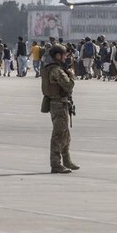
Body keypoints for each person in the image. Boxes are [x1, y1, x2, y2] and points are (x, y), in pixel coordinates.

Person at [40, 44, 78, 174]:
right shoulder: (57, 70)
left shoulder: (50, 68)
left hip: (58, 103)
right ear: (58, 55)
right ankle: (56, 164)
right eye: (64, 55)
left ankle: (67, 160)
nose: (66, 57)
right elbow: (68, 86)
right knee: (59, 134)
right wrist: (71, 76)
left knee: (65, 134)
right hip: (59, 105)